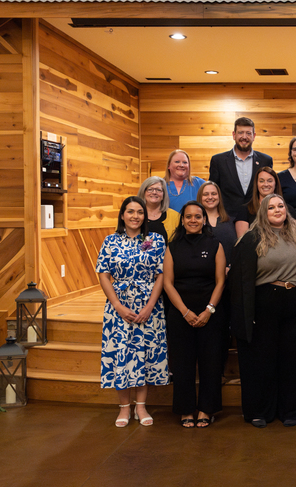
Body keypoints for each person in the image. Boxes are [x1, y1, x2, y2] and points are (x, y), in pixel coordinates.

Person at [230, 194, 296, 427]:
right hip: (263, 304)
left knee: (295, 360)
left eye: (281, 206)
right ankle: (259, 410)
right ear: (263, 212)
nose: (277, 210)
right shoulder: (251, 239)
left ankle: (292, 410)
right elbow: (238, 281)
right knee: (261, 359)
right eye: (271, 207)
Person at [96, 196, 169, 427]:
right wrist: (117, 305)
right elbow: (103, 273)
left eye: (140, 212)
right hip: (119, 305)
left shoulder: (156, 240)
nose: (135, 216)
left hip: (150, 305)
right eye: (130, 211)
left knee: (144, 354)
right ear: (122, 215)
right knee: (122, 354)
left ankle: (141, 406)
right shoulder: (110, 241)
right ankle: (124, 408)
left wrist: (149, 306)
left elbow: (161, 274)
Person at [163, 201, 226, 428]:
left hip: (210, 312)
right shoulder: (172, 247)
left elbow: (220, 281)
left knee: (211, 363)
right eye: (188, 217)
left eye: (197, 217)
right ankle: (186, 409)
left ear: (203, 219)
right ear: (182, 220)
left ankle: (207, 409)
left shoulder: (215, 244)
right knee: (182, 364)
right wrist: (185, 311)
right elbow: (168, 283)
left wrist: (209, 310)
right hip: (180, 312)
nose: (192, 220)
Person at [197, 181, 237, 374]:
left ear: (219, 196)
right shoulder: (196, 219)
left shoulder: (229, 219)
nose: (210, 197)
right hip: (205, 282)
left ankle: (221, 370)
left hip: (229, 281)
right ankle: (209, 371)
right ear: (200, 197)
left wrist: (231, 267)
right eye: (206, 194)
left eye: (214, 193)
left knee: (225, 328)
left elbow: (239, 247)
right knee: (210, 329)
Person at [208, 117, 273, 218]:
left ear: (254, 136)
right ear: (234, 135)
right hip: (227, 219)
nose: (244, 137)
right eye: (240, 132)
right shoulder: (218, 161)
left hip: (258, 218)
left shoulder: (265, 160)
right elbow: (212, 191)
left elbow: (270, 191)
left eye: (248, 133)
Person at [234, 167, 293, 238]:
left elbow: (295, 237)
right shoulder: (244, 210)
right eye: (261, 181)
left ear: (275, 183)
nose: (266, 184)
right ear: (257, 184)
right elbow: (242, 242)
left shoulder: (288, 209)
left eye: (270, 181)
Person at [139, 176, 179, 244]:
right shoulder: (134, 215)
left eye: (158, 190)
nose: (154, 192)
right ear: (143, 192)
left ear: (163, 194)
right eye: (150, 189)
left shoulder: (176, 217)